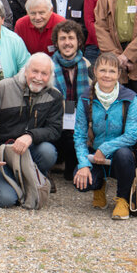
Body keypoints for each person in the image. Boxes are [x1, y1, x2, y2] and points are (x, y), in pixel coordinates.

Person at [0, 53, 63, 208]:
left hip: (31, 150)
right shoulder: (4, 87)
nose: (38, 77)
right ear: (25, 71)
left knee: (48, 152)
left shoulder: (55, 96)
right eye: (34, 71)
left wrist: (30, 136)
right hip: (3, 151)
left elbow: (55, 130)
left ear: (50, 76)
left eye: (44, 73)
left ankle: (32, 176)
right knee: (6, 200)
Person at [71, 53, 137, 220]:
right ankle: (99, 186)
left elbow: (132, 135)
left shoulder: (130, 98)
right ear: (95, 71)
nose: (107, 75)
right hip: (94, 154)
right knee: (81, 181)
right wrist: (83, 164)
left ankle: (122, 199)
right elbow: (79, 135)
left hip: (119, 156)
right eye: (102, 70)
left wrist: (105, 148)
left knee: (124, 155)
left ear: (118, 74)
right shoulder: (85, 98)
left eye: (111, 71)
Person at [51, 21, 92, 180]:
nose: (67, 42)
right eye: (62, 38)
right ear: (56, 42)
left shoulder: (87, 66)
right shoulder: (48, 66)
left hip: (81, 123)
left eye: (71, 38)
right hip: (57, 122)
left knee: (71, 176)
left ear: (79, 41)